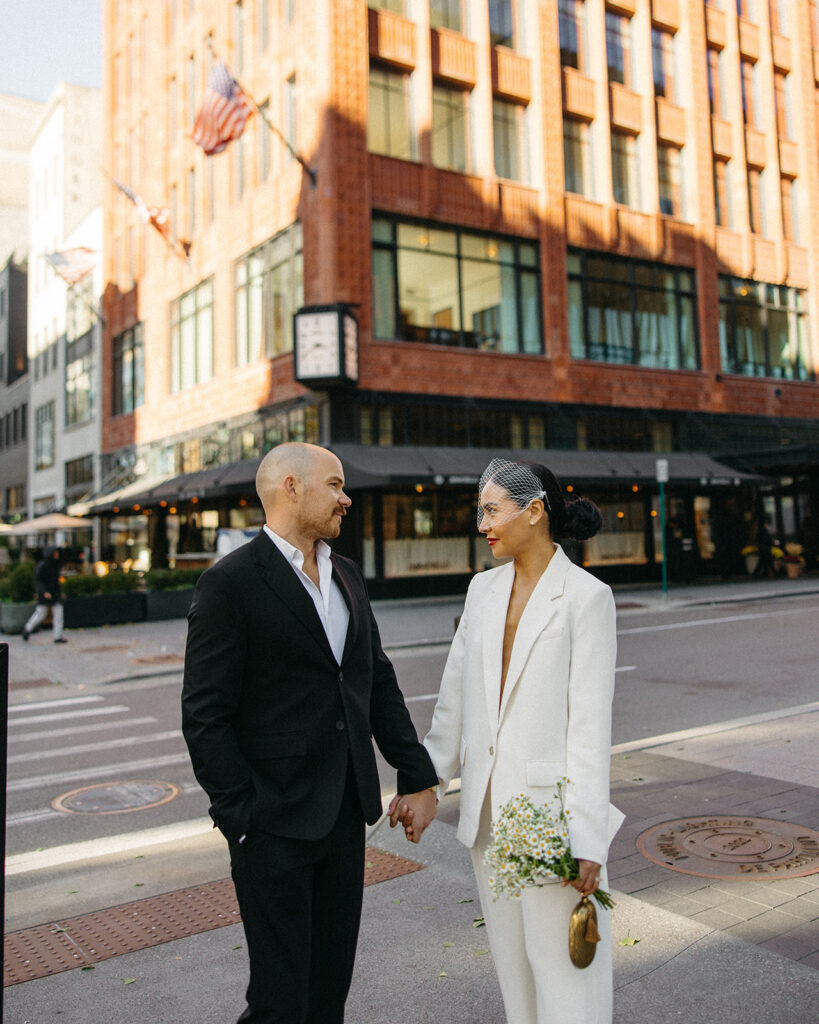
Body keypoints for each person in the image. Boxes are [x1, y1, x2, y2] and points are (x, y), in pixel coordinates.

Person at [181, 442, 438, 1024]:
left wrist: (417, 773)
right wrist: (240, 816)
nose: (346, 498)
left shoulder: (346, 573)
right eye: (335, 484)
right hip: (271, 826)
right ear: (291, 487)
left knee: (327, 994)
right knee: (278, 1001)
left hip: (344, 819)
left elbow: (376, 681)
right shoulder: (230, 583)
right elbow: (204, 714)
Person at [392, 458, 624, 1024]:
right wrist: (427, 783)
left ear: (536, 511)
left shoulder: (586, 598)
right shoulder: (482, 590)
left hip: (551, 821)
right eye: (482, 511)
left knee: (570, 976)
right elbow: (455, 701)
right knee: (514, 973)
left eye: (492, 510)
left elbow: (590, 728)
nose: (482, 524)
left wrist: (587, 837)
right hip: (489, 820)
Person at [22, 546, 67, 643]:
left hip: (55, 594)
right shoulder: (42, 565)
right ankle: (27, 629)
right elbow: (38, 581)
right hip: (45, 594)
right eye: (55, 553)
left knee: (58, 614)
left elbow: (56, 581)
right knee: (41, 614)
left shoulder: (56, 565)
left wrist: (59, 592)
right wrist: (44, 592)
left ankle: (57, 636)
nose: (57, 555)